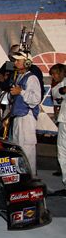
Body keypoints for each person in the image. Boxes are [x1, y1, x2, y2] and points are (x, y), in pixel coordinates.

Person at [9, 51, 41, 175]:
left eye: (18, 60)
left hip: (27, 118)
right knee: (18, 148)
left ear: (27, 63)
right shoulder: (19, 76)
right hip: (18, 116)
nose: (15, 63)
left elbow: (36, 99)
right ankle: (21, 177)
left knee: (27, 149)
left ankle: (31, 178)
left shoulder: (32, 78)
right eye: (15, 60)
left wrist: (21, 92)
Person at [49, 63, 66, 193]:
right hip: (63, 121)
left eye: (55, 74)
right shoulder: (60, 84)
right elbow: (57, 94)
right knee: (62, 152)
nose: (53, 77)